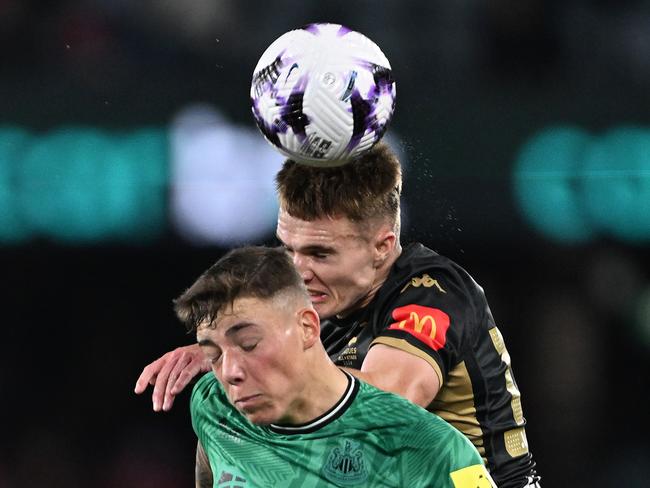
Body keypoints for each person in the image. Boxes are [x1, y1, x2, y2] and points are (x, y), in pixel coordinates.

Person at [136, 142, 540, 488]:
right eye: (287, 248)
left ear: (382, 246)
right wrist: (230, 350)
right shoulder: (320, 301)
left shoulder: (434, 294)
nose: (297, 270)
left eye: (319, 254)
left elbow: (385, 400)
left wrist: (258, 357)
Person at [173, 245, 495, 487]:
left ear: (307, 328)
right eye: (213, 354)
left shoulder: (434, 449)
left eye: (249, 344)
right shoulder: (213, 406)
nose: (230, 372)